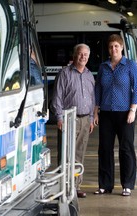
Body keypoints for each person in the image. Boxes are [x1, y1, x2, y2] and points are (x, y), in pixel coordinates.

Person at [94, 34, 137, 196]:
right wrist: (96, 111)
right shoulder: (103, 67)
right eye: (110, 46)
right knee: (105, 149)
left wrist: (133, 110)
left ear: (121, 47)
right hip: (106, 113)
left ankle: (127, 184)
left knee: (126, 148)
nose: (113, 49)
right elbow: (98, 89)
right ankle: (105, 185)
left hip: (125, 114)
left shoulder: (130, 65)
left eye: (116, 46)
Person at [52, 43, 95, 198]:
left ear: (88, 57)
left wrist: (91, 118)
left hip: (85, 120)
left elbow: (92, 98)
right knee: (66, 154)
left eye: (85, 54)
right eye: (80, 54)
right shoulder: (65, 73)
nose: (83, 57)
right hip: (69, 119)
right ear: (74, 55)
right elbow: (57, 97)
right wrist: (59, 117)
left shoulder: (90, 75)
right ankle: (63, 187)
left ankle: (76, 186)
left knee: (79, 154)